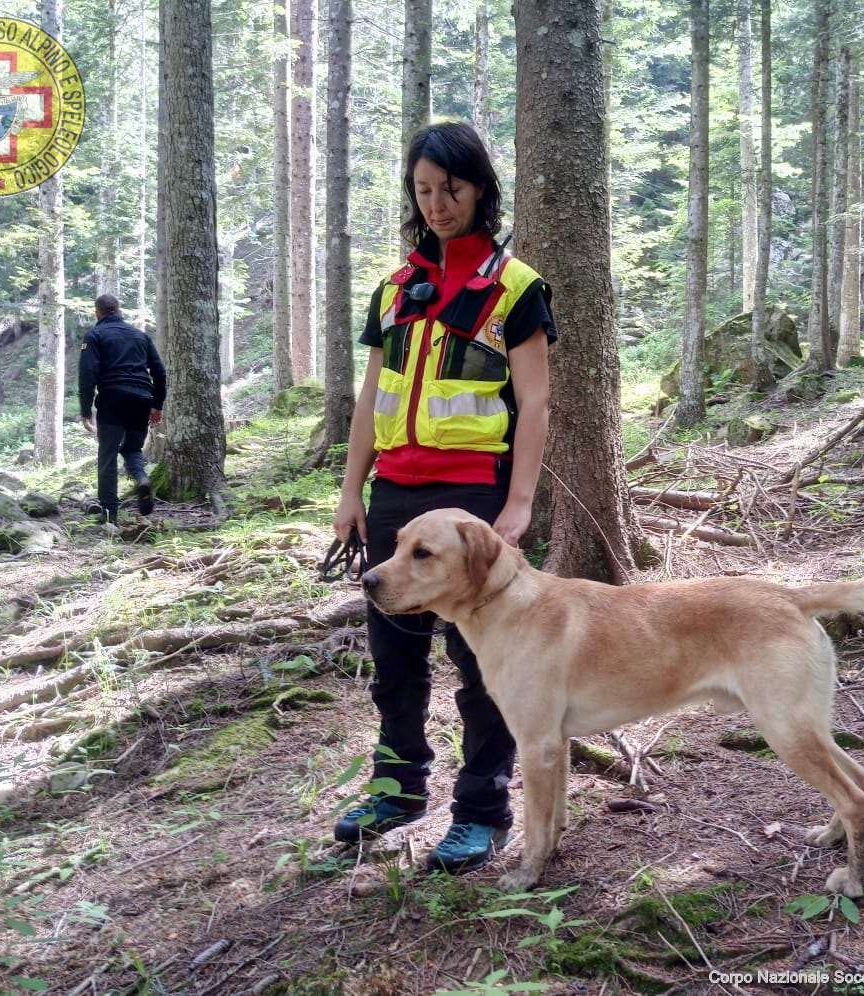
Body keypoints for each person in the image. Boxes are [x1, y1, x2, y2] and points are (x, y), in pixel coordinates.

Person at [332, 121, 557, 873]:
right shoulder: (396, 290)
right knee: (394, 660)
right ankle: (398, 789)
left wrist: (518, 504)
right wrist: (351, 491)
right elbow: (370, 400)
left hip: (472, 502)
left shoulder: (516, 288)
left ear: (481, 189)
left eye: (451, 188)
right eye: (424, 190)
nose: (437, 204)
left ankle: (482, 810)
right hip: (394, 495)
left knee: (483, 664)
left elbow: (536, 404)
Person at [78, 293, 167, 527]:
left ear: (98, 312)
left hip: (112, 398)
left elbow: (87, 374)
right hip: (141, 399)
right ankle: (141, 478)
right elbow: (159, 372)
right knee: (133, 448)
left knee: (107, 454)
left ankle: (109, 514)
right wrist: (157, 404)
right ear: (118, 310)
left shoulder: (95, 335)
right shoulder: (141, 336)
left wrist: (86, 410)